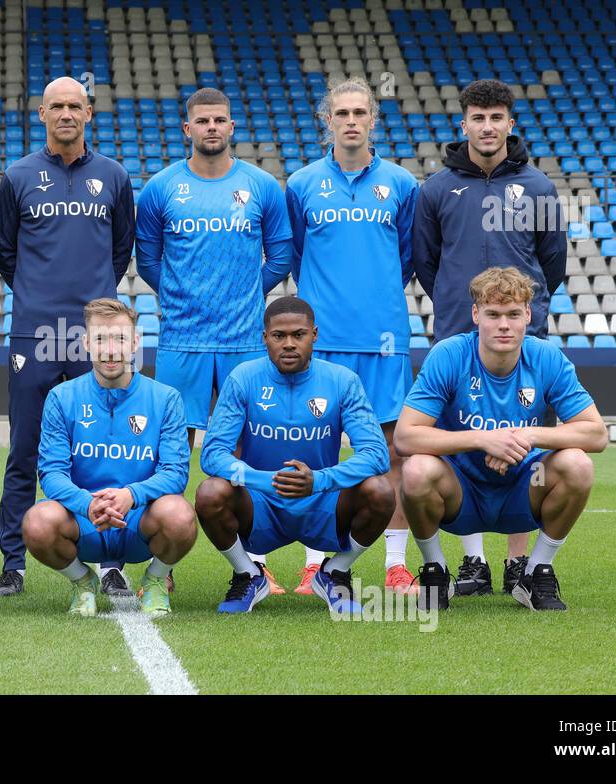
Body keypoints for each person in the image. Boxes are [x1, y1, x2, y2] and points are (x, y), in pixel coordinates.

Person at [411, 78, 569, 595]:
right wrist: (462, 306)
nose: (487, 127)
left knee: (523, 443)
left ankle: (519, 563)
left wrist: (521, 311)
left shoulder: (540, 188)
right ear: (464, 124)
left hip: (519, 330)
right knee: (465, 435)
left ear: (510, 123)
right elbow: (426, 262)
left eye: (496, 117)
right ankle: (472, 561)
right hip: (460, 328)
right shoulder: (436, 189)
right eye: (478, 118)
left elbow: (552, 262)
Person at [134, 86, 293, 592]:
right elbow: (149, 261)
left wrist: (248, 297)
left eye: (219, 120)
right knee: (170, 455)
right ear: (187, 128)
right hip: (182, 340)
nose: (211, 128)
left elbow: (283, 256)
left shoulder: (262, 186)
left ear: (231, 126)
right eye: (201, 121)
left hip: (246, 342)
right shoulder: (160, 188)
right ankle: (163, 567)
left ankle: (253, 565)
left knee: (252, 451)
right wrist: (181, 298)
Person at [0, 76, 135, 597]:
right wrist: (38, 294)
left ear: (89, 113)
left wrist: (93, 308)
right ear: (41, 114)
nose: (67, 114)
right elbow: (5, 252)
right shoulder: (18, 176)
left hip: (94, 337)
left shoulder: (113, 176)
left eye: (76, 106)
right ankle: (14, 563)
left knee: (103, 450)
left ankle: (110, 560)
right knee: (24, 449)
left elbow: (120, 251)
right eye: (57, 106)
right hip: (34, 332)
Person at [395, 267, 606, 612]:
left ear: (528, 315)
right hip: (461, 492)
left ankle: (535, 572)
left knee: (578, 464)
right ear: (476, 315)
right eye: (493, 314)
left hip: (523, 488)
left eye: (512, 314)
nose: (503, 325)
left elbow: (596, 433)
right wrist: (482, 440)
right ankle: (436, 571)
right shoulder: (449, 355)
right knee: (416, 470)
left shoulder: (546, 358)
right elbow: (406, 436)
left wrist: (526, 435)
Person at [285, 76, 420, 597]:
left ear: (373, 120)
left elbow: (408, 257)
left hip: (384, 339)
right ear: (327, 121)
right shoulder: (300, 185)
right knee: (313, 452)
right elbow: (295, 256)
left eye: (359, 113)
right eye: (340, 113)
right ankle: (314, 563)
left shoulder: (403, 185)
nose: (350, 121)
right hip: (325, 341)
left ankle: (394, 565)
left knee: (394, 453)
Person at [195, 296, 394, 615]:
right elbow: (213, 454)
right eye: (279, 336)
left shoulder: (342, 381)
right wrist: (265, 480)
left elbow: (376, 455)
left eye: (298, 335)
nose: (289, 344)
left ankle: (333, 573)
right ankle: (248, 574)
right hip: (261, 505)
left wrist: (319, 480)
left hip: (322, 503)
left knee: (380, 491)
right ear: (265, 338)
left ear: (314, 334)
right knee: (209, 492)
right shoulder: (243, 378)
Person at [23, 298, 195, 617]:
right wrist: (87, 503)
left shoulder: (165, 399)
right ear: (87, 343)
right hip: (86, 521)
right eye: (101, 339)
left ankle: (156, 580)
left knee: (180, 515)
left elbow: (175, 473)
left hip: (139, 521)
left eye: (119, 339)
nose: (111, 350)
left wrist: (132, 495)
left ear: (135, 342)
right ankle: (82, 581)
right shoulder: (62, 398)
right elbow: (51, 473)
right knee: (37, 521)